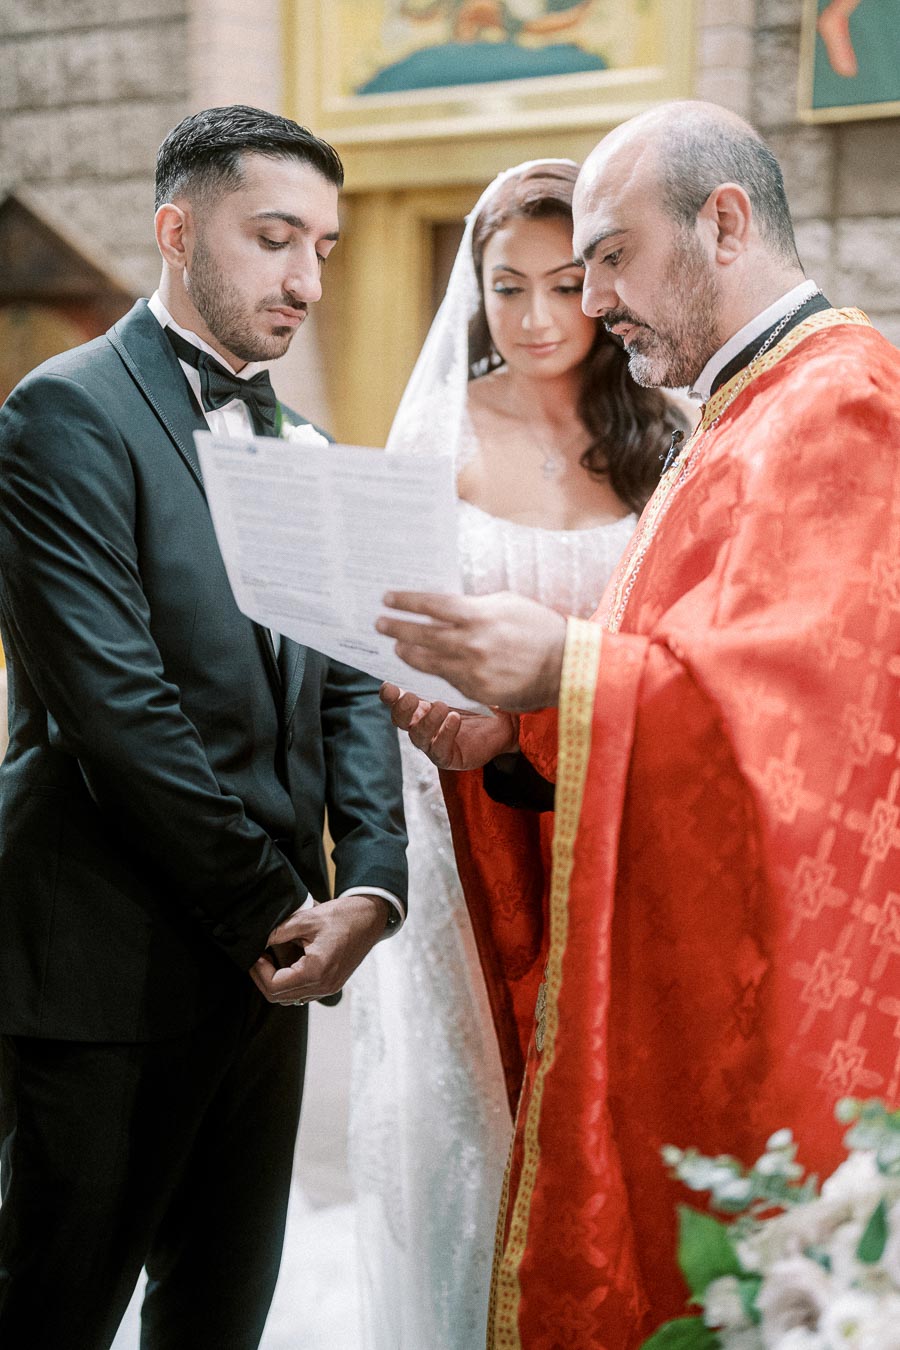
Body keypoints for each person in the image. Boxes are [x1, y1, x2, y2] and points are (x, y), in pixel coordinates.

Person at [377, 100, 900, 1347]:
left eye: (612, 255)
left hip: (782, 987)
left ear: (724, 223)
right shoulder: (746, 406)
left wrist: (559, 662)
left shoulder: (840, 402)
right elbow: (694, 664)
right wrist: (516, 742)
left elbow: (813, 723)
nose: (594, 298)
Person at [0, 105, 408, 1350]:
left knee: (224, 1311)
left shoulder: (309, 443)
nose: (306, 280)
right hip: (105, 957)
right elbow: (115, 710)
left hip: (273, 970)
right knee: (58, 1307)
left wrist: (373, 889)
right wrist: (275, 912)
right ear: (177, 232)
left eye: (325, 248)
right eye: (274, 238)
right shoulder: (60, 416)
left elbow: (350, 681)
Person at [347, 160, 686, 1349]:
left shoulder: (669, 426)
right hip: (476, 818)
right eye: (507, 289)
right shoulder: (440, 432)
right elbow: (386, 628)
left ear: (606, 283)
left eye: (565, 284)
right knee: (487, 1098)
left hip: (630, 804)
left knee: (623, 1089)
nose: (538, 319)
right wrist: (426, 706)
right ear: (474, 291)